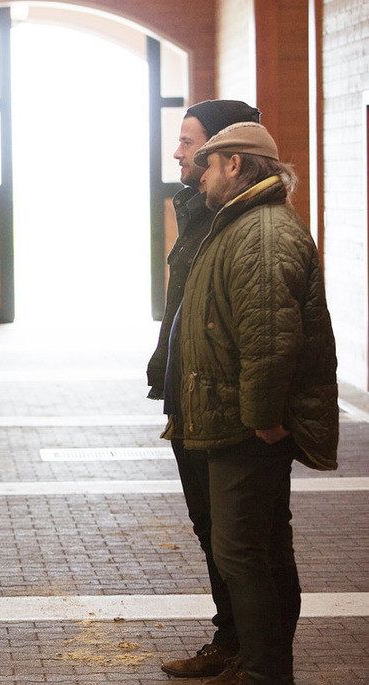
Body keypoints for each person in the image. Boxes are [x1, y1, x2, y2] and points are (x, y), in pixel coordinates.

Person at [167, 122, 338, 685]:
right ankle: (258, 663)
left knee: (245, 553)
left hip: (247, 426)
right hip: (233, 416)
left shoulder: (261, 233)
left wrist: (263, 418)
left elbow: (269, 338)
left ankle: (264, 672)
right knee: (255, 549)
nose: (204, 174)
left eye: (210, 163)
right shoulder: (243, 225)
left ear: (235, 165)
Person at [148, 99, 261, 679]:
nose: (178, 152)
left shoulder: (235, 222)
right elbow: (186, 305)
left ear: (225, 154)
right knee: (209, 525)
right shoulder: (198, 210)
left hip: (220, 401)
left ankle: (247, 647)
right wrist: (162, 357)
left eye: (188, 142)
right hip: (188, 392)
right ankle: (234, 638)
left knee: (234, 532)